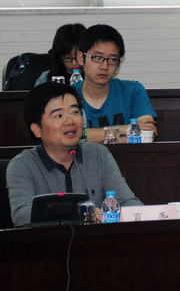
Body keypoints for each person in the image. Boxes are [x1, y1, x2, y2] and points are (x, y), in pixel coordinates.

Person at [6, 83, 142, 226]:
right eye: (58, 115)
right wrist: (80, 212)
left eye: (74, 112)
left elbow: (128, 202)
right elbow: (21, 216)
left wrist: (142, 214)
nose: (70, 121)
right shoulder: (22, 165)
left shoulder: (99, 155)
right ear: (37, 129)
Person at [72, 24, 158, 144]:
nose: (105, 66)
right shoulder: (68, 96)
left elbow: (147, 135)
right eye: (97, 57)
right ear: (81, 58)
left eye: (112, 59)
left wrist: (93, 139)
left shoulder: (133, 90)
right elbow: (68, 136)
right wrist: (125, 129)